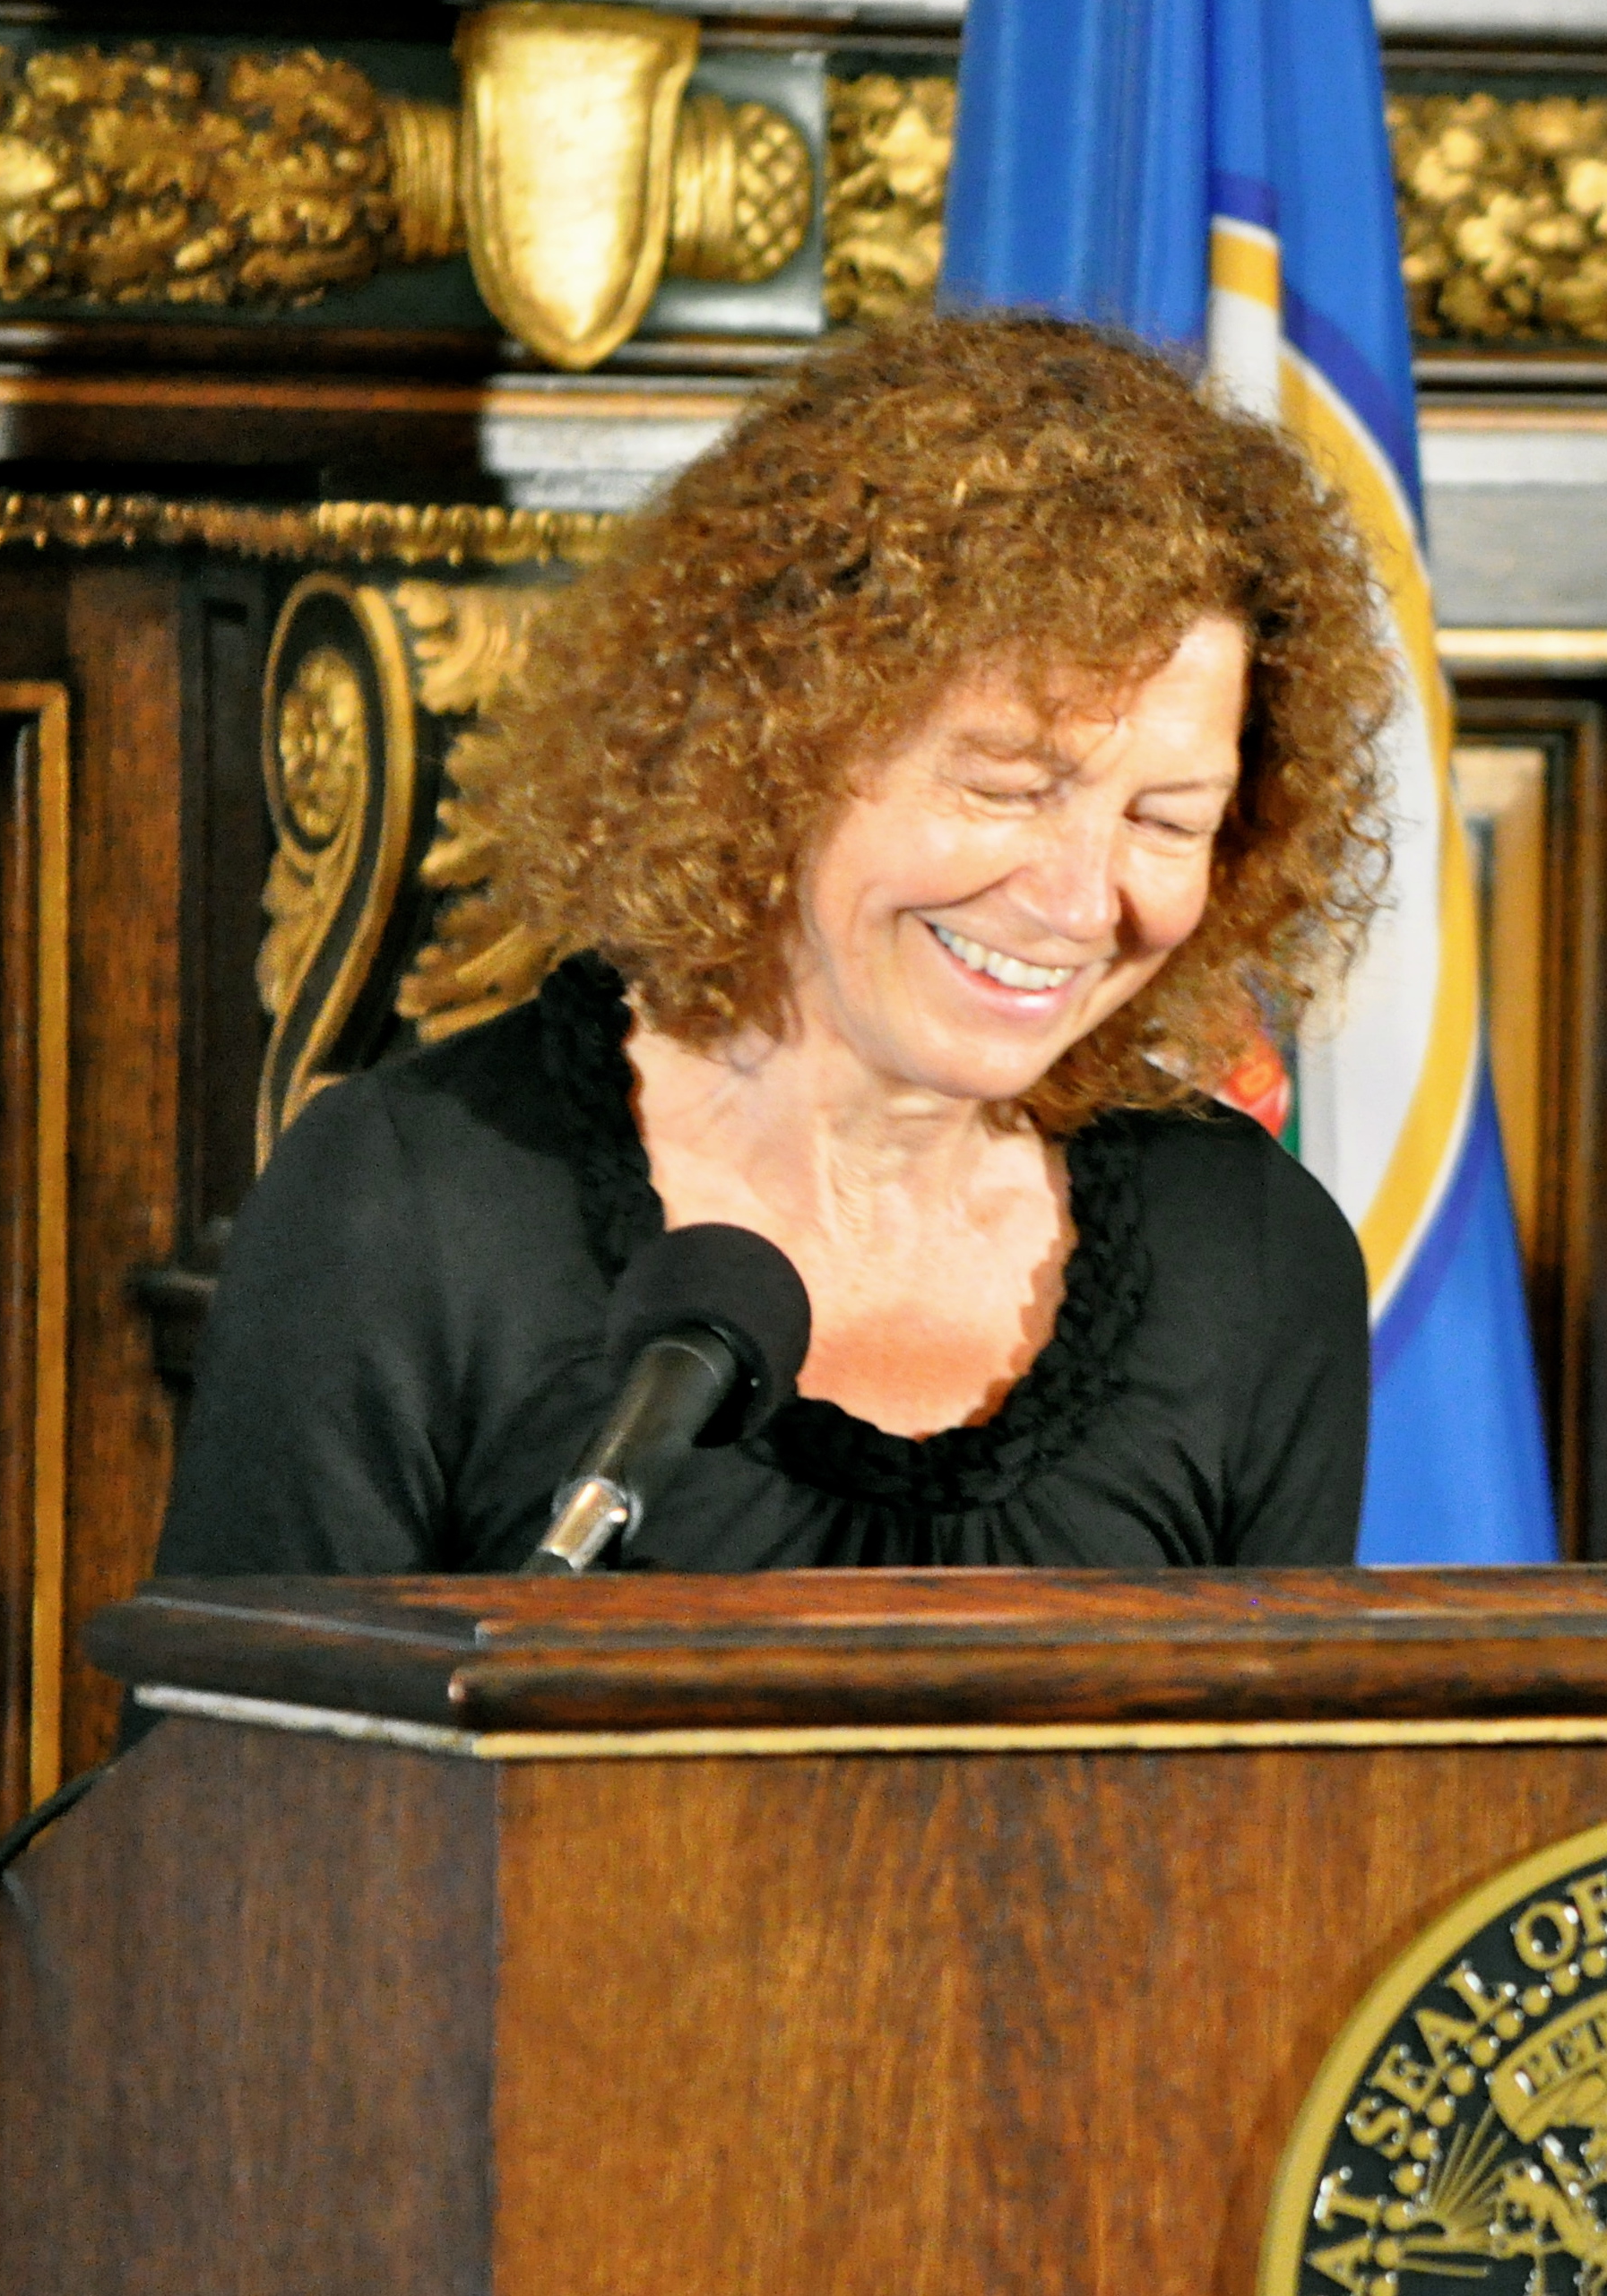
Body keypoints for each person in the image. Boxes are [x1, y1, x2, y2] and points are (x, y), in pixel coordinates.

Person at [155, 312, 1395, 1577]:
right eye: (1008, 788)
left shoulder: (1248, 1258)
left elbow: (1284, 1784)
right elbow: (242, 1781)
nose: (1083, 901)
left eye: (1164, 819)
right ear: (779, 743)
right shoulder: (407, 1212)